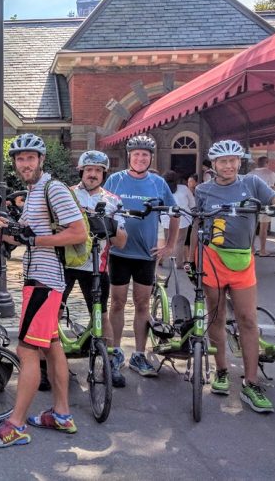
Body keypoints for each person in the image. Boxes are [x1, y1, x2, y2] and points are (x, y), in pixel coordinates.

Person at [0, 133, 87, 447]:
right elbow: (24, 237)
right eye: (20, 159)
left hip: (46, 282)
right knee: (52, 346)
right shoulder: (34, 191)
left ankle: (15, 425)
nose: (25, 164)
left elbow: (77, 232)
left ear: (41, 160)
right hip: (39, 280)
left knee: (26, 350)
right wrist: (1, 228)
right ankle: (62, 414)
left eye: (30, 158)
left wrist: (35, 241)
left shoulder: (53, 189)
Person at [195, 140, 275, 413]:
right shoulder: (204, 190)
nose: (228, 165)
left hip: (243, 258)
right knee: (215, 316)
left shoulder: (252, 183)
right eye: (222, 161)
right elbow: (198, 226)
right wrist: (190, 259)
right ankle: (221, 371)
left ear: (240, 162)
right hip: (213, 258)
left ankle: (251, 383)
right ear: (213, 165)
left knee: (248, 320)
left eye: (233, 160)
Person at [104, 135, 178, 380]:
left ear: (150, 158)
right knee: (116, 303)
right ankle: (115, 351)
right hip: (118, 252)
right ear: (129, 156)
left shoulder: (158, 183)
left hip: (146, 254)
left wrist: (170, 245)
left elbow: (175, 213)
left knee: (143, 305)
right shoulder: (115, 180)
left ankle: (138, 353)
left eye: (144, 154)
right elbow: (101, 209)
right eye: (136, 154)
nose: (140, 158)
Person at [63, 151, 128, 387]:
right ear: (81, 171)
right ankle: (47, 362)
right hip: (67, 263)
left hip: (96, 266)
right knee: (54, 313)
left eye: (98, 170)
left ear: (103, 174)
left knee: (100, 315)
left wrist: (110, 226)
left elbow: (121, 242)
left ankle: (109, 363)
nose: (93, 174)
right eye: (89, 170)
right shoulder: (67, 194)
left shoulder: (113, 200)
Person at [159, 170, 194, 267]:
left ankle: (161, 261)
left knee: (165, 241)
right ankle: (178, 263)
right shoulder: (184, 188)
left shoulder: (161, 189)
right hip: (183, 219)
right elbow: (192, 203)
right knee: (180, 242)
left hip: (166, 219)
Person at [247, 156, 275, 256]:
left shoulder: (249, 174)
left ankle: (252, 249)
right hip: (265, 203)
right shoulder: (270, 174)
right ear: (267, 163)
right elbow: (272, 189)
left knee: (252, 227)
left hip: (252, 203)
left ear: (257, 163)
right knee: (264, 228)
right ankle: (263, 250)